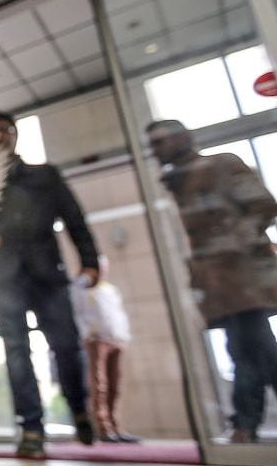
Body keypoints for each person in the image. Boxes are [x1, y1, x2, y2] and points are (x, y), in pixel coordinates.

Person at [0, 112, 97, 458]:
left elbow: (75, 219)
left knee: (67, 345)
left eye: (4, 130)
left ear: (15, 135)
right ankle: (31, 427)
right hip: (4, 277)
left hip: (47, 273)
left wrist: (90, 261)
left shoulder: (45, 176)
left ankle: (80, 410)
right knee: (16, 352)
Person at [147, 119, 277, 443]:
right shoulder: (173, 183)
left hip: (243, 275)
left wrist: (238, 242)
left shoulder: (221, 164)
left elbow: (263, 206)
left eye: (160, 142)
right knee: (248, 349)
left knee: (252, 348)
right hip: (217, 283)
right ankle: (245, 424)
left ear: (182, 138)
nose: (154, 150)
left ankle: (244, 424)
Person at [70, 256, 139, 443]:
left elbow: (118, 315)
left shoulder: (110, 290)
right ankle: (102, 426)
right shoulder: (80, 289)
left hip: (116, 339)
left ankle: (116, 425)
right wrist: (87, 334)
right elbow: (77, 313)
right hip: (96, 340)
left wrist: (123, 336)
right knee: (99, 385)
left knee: (114, 385)